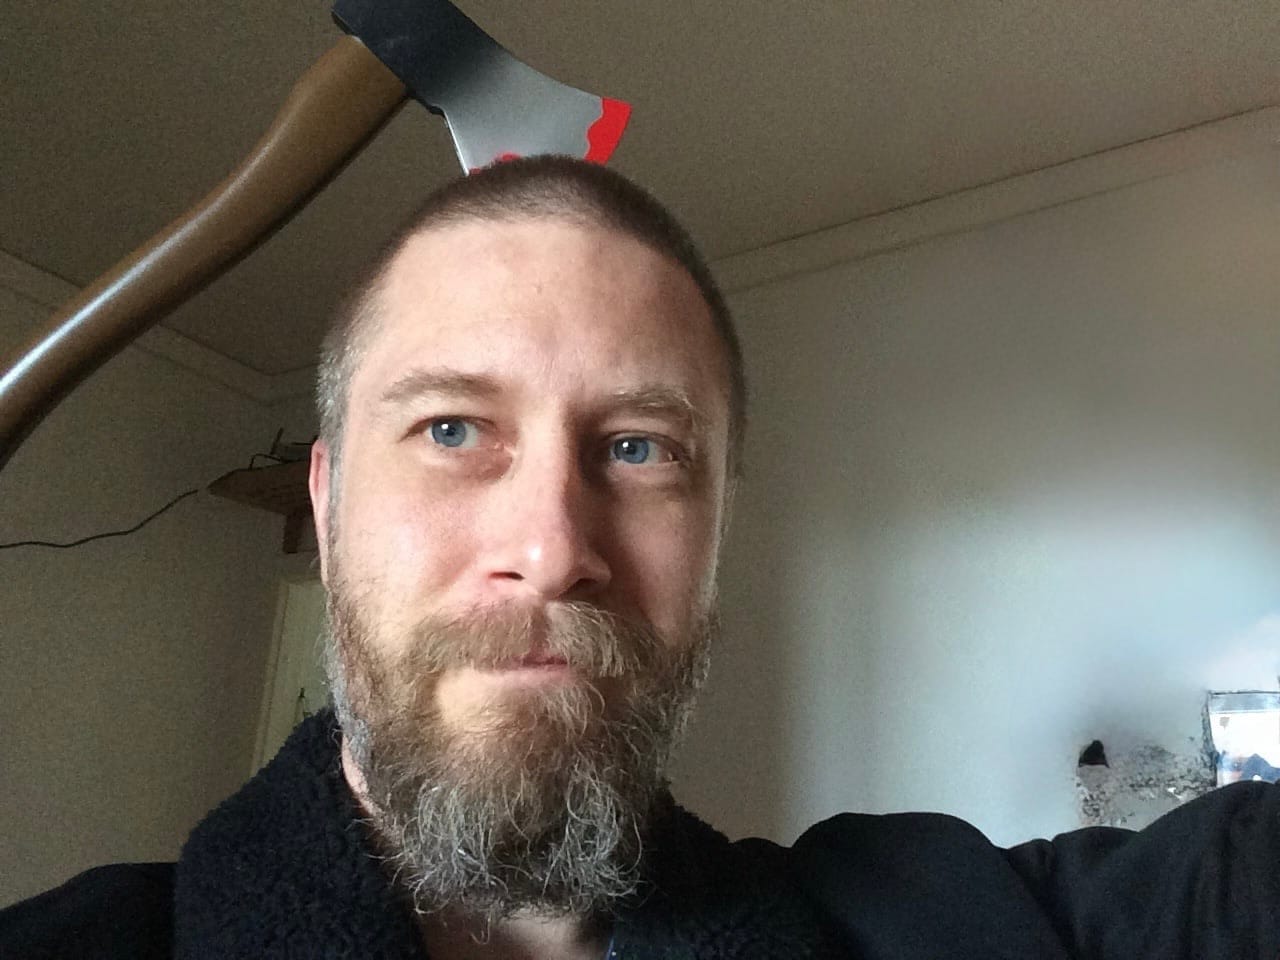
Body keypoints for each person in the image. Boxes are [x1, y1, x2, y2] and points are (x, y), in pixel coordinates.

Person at [2, 156, 1277, 959]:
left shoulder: (934, 926)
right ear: (326, 507)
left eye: (636, 449)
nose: (552, 549)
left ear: (715, 531)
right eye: (451, 429)